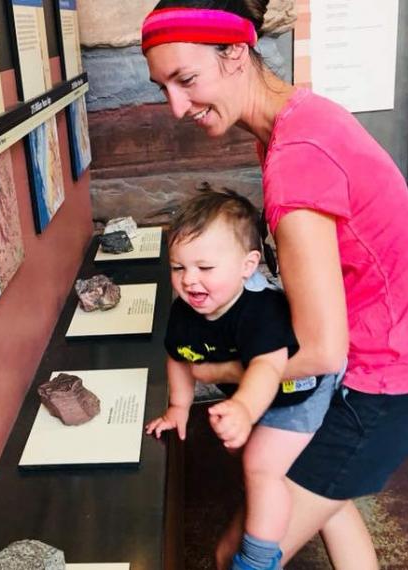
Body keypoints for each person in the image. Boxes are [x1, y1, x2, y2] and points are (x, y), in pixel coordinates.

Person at [140, 1, 408, 569]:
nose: (176, 107)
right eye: (163, 87)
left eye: (186, 80)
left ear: (236, 53)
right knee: (331, 502)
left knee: (233, 555)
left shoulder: (295, 158)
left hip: (381, 386)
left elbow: (321, 350)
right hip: (400, 366)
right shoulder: (299, 118)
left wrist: (221, 373)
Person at [146, 189, 344, 570]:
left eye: (205, 268)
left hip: (298, 396)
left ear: (248, 265)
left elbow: (268, 368)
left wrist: (244, 408)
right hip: (253, 397)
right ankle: (287, 492)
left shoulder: (262, 311)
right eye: (178, 268)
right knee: (256, 460)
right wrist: (178, 407)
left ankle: (257, 561)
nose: (189, 280)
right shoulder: (184, 311)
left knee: (260, 465)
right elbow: (178, 355)